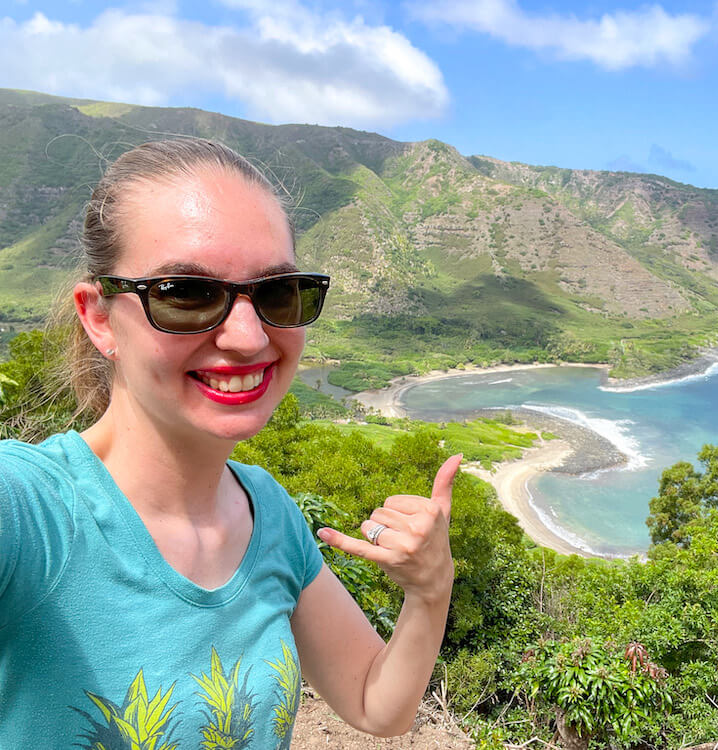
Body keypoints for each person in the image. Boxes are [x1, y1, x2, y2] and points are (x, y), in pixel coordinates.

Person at [0, 138, 458, 747]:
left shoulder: (266, 511)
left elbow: (376, 704)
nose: (246, 337)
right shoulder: (32, 511)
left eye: (277, 294)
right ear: (100, 318)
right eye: (186, 293)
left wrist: (430, 590)